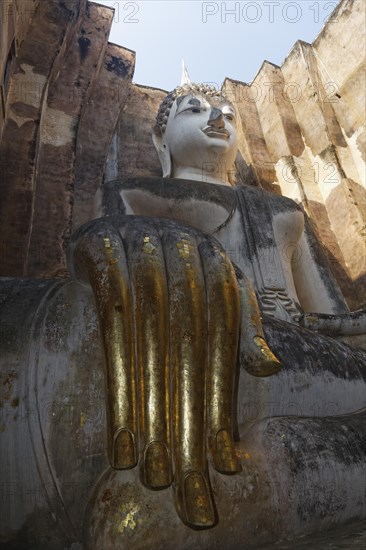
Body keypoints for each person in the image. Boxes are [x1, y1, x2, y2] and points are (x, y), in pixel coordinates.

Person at [69, 82, 366, 530]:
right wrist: (165, 244)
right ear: (160, 140)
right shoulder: (135, 192)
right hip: (201, 341)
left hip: (308, 351)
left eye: (228, 114)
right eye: (195, 111)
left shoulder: (285, 211)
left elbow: (329, 318)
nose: (217, 119)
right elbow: (111, 257)